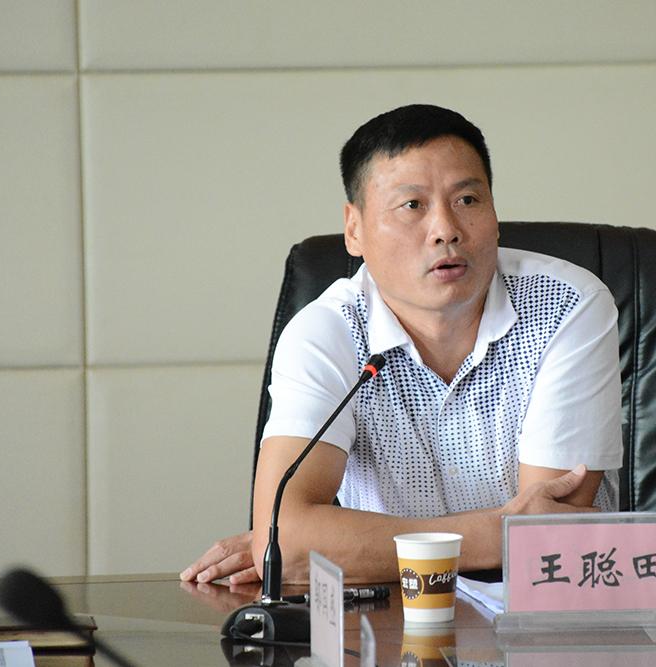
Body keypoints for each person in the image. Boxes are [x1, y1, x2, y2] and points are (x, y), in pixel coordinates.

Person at [182, 104, 622, 584]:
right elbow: (284, 543)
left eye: (468, 200)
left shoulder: (565, 305)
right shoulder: (327, 333)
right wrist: (499, 533)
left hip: (548, 613)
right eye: (412, 205)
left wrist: (338, 546)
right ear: (355, 229)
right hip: (391, 615)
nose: (446, 230)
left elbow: (549, 539)